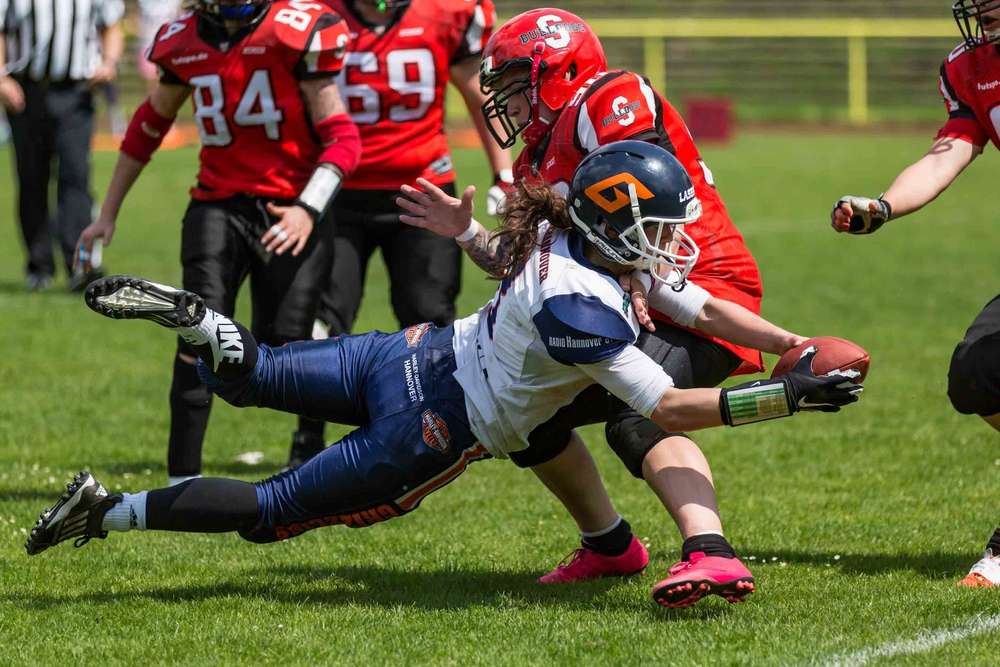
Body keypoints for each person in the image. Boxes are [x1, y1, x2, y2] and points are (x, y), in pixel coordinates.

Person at [26, 143, 863, 613]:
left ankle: (209, 325)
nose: (673, 242)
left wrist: (789, 341)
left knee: (256, 372)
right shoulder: (586, 299)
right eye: (661, 226)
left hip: (410, 351)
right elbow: (672, 405)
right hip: (429, 426)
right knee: (270, 513)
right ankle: (109, 510)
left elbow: (706, 307)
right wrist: (785, 395)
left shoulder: (576, 237)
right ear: (622, 225)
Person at [419, 8, 786, 607]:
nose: (508, 106)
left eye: (516, 86)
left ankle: (712, 553)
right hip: (626, 297)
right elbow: (524, 271)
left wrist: (635, 274)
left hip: (703, 286)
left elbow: (639, 207)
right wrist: (464, 234)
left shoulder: (608, 99)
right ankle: (610, 545)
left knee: (639, 416)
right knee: (522, 413)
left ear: (558, 71)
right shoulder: (532, 161)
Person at [74, 0, 361, 486]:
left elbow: (343, 138)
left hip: (288, 206)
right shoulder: (183, 38)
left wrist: (307, 208)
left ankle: (309, 452)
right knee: (195, 330)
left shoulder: (296, 30)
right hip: (217, 204)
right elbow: (149, 125)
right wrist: (108, 213)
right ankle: (181, 477)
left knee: (288, 341)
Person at [289, 0, 514, 467]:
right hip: (339, 191)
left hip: (423, 189)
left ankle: (440, 430)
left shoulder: (446, 12)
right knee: (325, 319)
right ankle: (308, 437)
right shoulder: (315, 13)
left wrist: (503, 173)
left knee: (428, 314)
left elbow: (476, 90)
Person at [831, 0, 1000, 589]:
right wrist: (883, 207)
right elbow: (950, 148)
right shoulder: (969, 67)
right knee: (978, 376)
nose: (982, 8)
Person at [0, 0, 124, 291]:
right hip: (26, 91)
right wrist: (2, 77)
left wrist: (109, 62)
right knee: (32, 180)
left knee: (76, 179)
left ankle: (80, 265)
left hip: (76, 92)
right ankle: (39, 267)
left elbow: (112, 24)